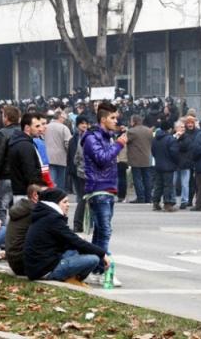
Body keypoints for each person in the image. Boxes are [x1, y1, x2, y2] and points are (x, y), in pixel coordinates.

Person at [24, 189, 111, 286]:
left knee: (76, 250)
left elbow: (69, 241)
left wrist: (79, 242)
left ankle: (72, 277)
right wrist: (102, 254)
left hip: (38, 267)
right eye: (64, 202)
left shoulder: (45, 215)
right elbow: (76, 241)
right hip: (44, 270)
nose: (68, 205)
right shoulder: (53, 219)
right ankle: (73, 279)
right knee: (93, 259)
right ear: (55, 204)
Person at [82, 102, 127, 285]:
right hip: (98, 188)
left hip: (108, 187)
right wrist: (118, 145)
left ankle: (96, 267)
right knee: (105, 231)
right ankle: (104, 268)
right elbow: (101, 159)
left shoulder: (108, 136)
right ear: (103, 119)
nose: (115, 121)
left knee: (101, 231)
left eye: (117, 118)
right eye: (112, 118)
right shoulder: (92, 138)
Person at [0, 106, 22, 225]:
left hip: (5, 176)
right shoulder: (23, 132)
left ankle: (2, 238)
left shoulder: (3, 133)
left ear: (6, 117)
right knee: (18, 209)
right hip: (20, 177)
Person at [7, 112, 47, 197]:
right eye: (37, 126)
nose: (40, 129)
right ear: (27, 128)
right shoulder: (25, 146)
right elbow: (30, 173)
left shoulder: (25, 143)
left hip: (25, 192)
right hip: (27, 194)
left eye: (41, 125)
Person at [6, 184, 42, 275]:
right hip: (23, 263)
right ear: (35, 195)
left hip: (14, 261)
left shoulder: (22, 207)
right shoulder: (34, 212)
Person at [151, 121, 179, 212]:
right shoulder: (170, 139)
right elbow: (174, 153)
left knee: (158, 185)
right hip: (168, 165)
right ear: (169, 129)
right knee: (168, 185)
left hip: (158, 164)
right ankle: (167, 204)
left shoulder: (155, 139)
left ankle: (155, 203)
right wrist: (175, 162)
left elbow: (153, 151)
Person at [127, 115, 154, 203]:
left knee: (137, 179)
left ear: (134, 122)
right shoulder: (149, 131)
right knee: (147, 178)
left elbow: (125, 141)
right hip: (147, 158)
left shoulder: (131, 131)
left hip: (136, 159)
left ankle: (140, 197)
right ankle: (148, 197)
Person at [69, 116, 90, 232]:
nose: (84, 125)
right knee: (85, 198)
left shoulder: (81, 138)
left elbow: (76, 158)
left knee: (83, 198)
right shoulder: (76, 139)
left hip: (81, 171)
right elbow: (74, 157)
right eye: (82, 123)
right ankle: (80, 223)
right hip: (84, 173)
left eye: (86, 123)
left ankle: (81, 223)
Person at [44, 111, 72, 189]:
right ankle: (59, 198)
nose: (65, 120)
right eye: (64, 118)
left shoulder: (45, 127)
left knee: (51, 181)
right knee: (60, 183)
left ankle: (51, 197)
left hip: (48, 157)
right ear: (60, 117)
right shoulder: (64, 128)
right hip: (61, 159)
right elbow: (68, 144)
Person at [173, 120, 193, 209]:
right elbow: (171, 148)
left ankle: (184, 200)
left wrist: (178, 139)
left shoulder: (187, 137)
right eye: (180, 127)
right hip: (174, 163)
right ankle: (172, 199)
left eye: (183, 127)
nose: (182, 129)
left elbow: (184, 146)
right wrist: (175, 138)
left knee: (185, 184)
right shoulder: (172, 137)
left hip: (185, 164)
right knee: (172, 182)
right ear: (175, 128)